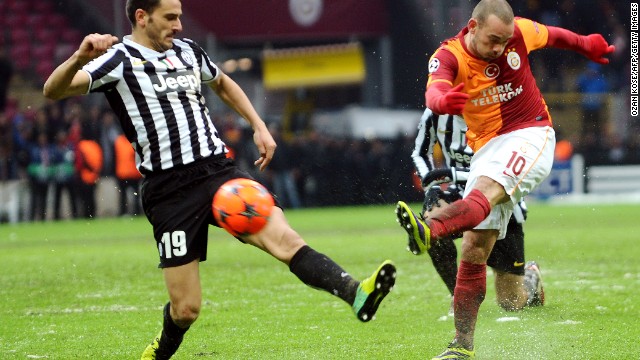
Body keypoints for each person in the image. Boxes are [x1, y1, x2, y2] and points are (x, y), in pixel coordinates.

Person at [42, 1, 396, 358]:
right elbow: (53, 91)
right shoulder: (117, 60)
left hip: (218, 172)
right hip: (170, 192)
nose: (179, 25)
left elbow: (223, 83)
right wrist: (78, 57)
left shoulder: (188, 51)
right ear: (141, 17)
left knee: (285, 240)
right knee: (186, 310)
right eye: (170, 17)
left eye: (180, 16)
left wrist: (259, 126)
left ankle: (355, 292)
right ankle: (161, 349)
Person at [393, 0, 614, 358]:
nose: (499, 48)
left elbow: (555, 35)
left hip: (531, 134)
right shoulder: (448, 55)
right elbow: (434, 87)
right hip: (488, 151)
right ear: (473, 26)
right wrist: (440, 100)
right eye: (493, 39)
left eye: (504, 40)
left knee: (483, 197)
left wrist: (585, 43)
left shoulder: (518, 34)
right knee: (475, 250)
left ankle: (430, 229)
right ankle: (462, 346)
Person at [398, 108, 544, 315]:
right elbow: (420, 152)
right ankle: (456, 295)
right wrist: (431, 186)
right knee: (431, 220)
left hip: (499, 199)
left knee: (511, 302)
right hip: (458, 195)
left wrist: (453, 174)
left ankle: (531, 277)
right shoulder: (435, 113)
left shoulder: (497, 111)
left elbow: (503, 171)